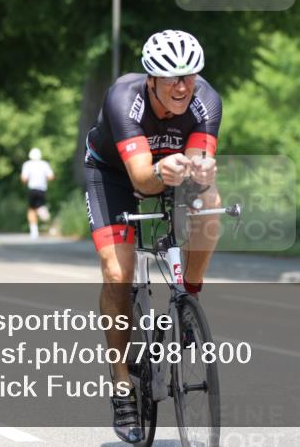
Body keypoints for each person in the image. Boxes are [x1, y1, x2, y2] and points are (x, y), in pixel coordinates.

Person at [84, 29, 221, 443]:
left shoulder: (206, 101)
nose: (182, 86)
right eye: (172, 78)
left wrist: (202, 170)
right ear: (151, 80)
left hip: (171, 167)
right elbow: (143, 180)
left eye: (189, 76)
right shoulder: (124, 99)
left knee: (211, 204)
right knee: (117, 271)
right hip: (114, 172)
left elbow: (200, 160)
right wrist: (164, 171)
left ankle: (189, 301)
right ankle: (122, 384)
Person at [20, 148, 54, 239]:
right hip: (42, 189)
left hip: (32, 189)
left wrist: (26, 182)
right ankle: (48, 222)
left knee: (31, 210)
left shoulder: (27, 164)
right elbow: (51, 177)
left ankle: (34, 231)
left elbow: (23, 179)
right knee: (40, 206)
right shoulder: (44, 164)